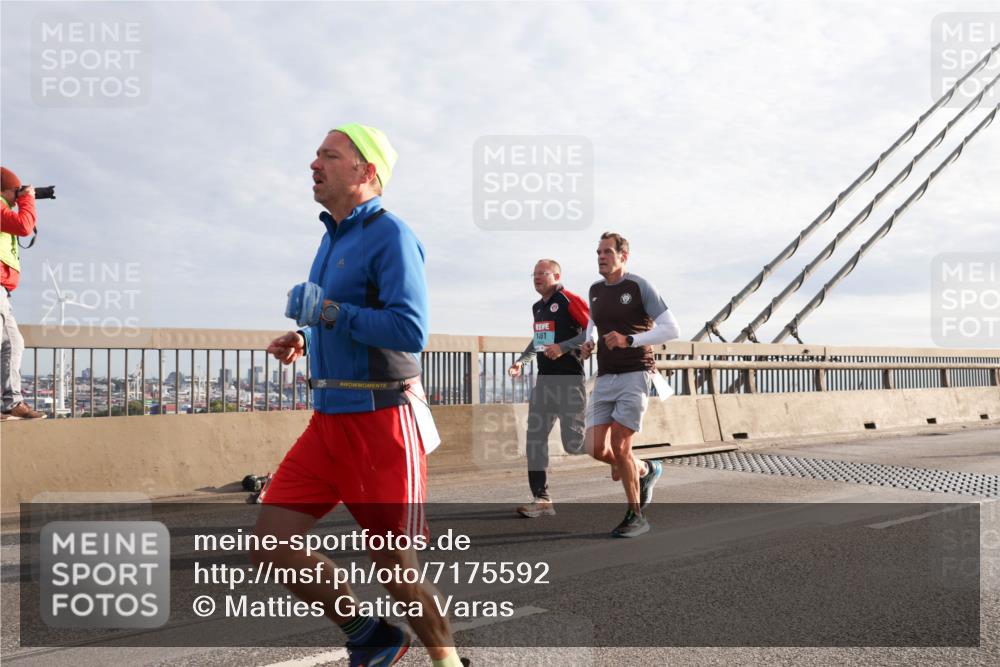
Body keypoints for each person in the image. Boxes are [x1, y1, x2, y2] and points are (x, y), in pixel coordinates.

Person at [252, 125, 467, 667]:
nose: (314, 163)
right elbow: (338, 316)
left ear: (365, 171)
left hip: (380, 420)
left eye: (329, 154)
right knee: (271, 542)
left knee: (394, 566)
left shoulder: (392, 235)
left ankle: (447, 662)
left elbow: (409, 329)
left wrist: (327, 314)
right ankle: (369, 633)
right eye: (317, 153)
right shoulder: (331, 239)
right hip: (327, 422)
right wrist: (305, 336)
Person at [581, 232, 681, 538]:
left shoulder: (640, 286)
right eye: (598, 252)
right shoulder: (595, 290)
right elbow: (593, 324)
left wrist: (630, 340)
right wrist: (590, 342)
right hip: (605, 376)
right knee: (595, 447)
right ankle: (644, 469)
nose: (601, 257)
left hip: (636, 374)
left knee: (622, 446)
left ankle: (636, 516)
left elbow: (671, 328)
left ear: (624, 256)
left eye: (608, 252)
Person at [507, 259, 589, 517]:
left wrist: (563, 347)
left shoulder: (568, 299)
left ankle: (625, 459)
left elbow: (592, 332)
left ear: (556, 275)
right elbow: (539, 341)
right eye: (534, 273)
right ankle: (541, 498)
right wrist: (522, 361)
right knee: (535, 439)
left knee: (573, 443)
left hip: (569, 380)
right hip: (545, 381)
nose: (537, 277)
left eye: (542, 273)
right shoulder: (538, 308)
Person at [1, 167, 46, 421]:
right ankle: (10, 403)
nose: (16, 195)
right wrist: (27, 199)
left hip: (3, 290)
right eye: (14, 191)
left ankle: (11, 403)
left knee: (14, 342)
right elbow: (24, 226)